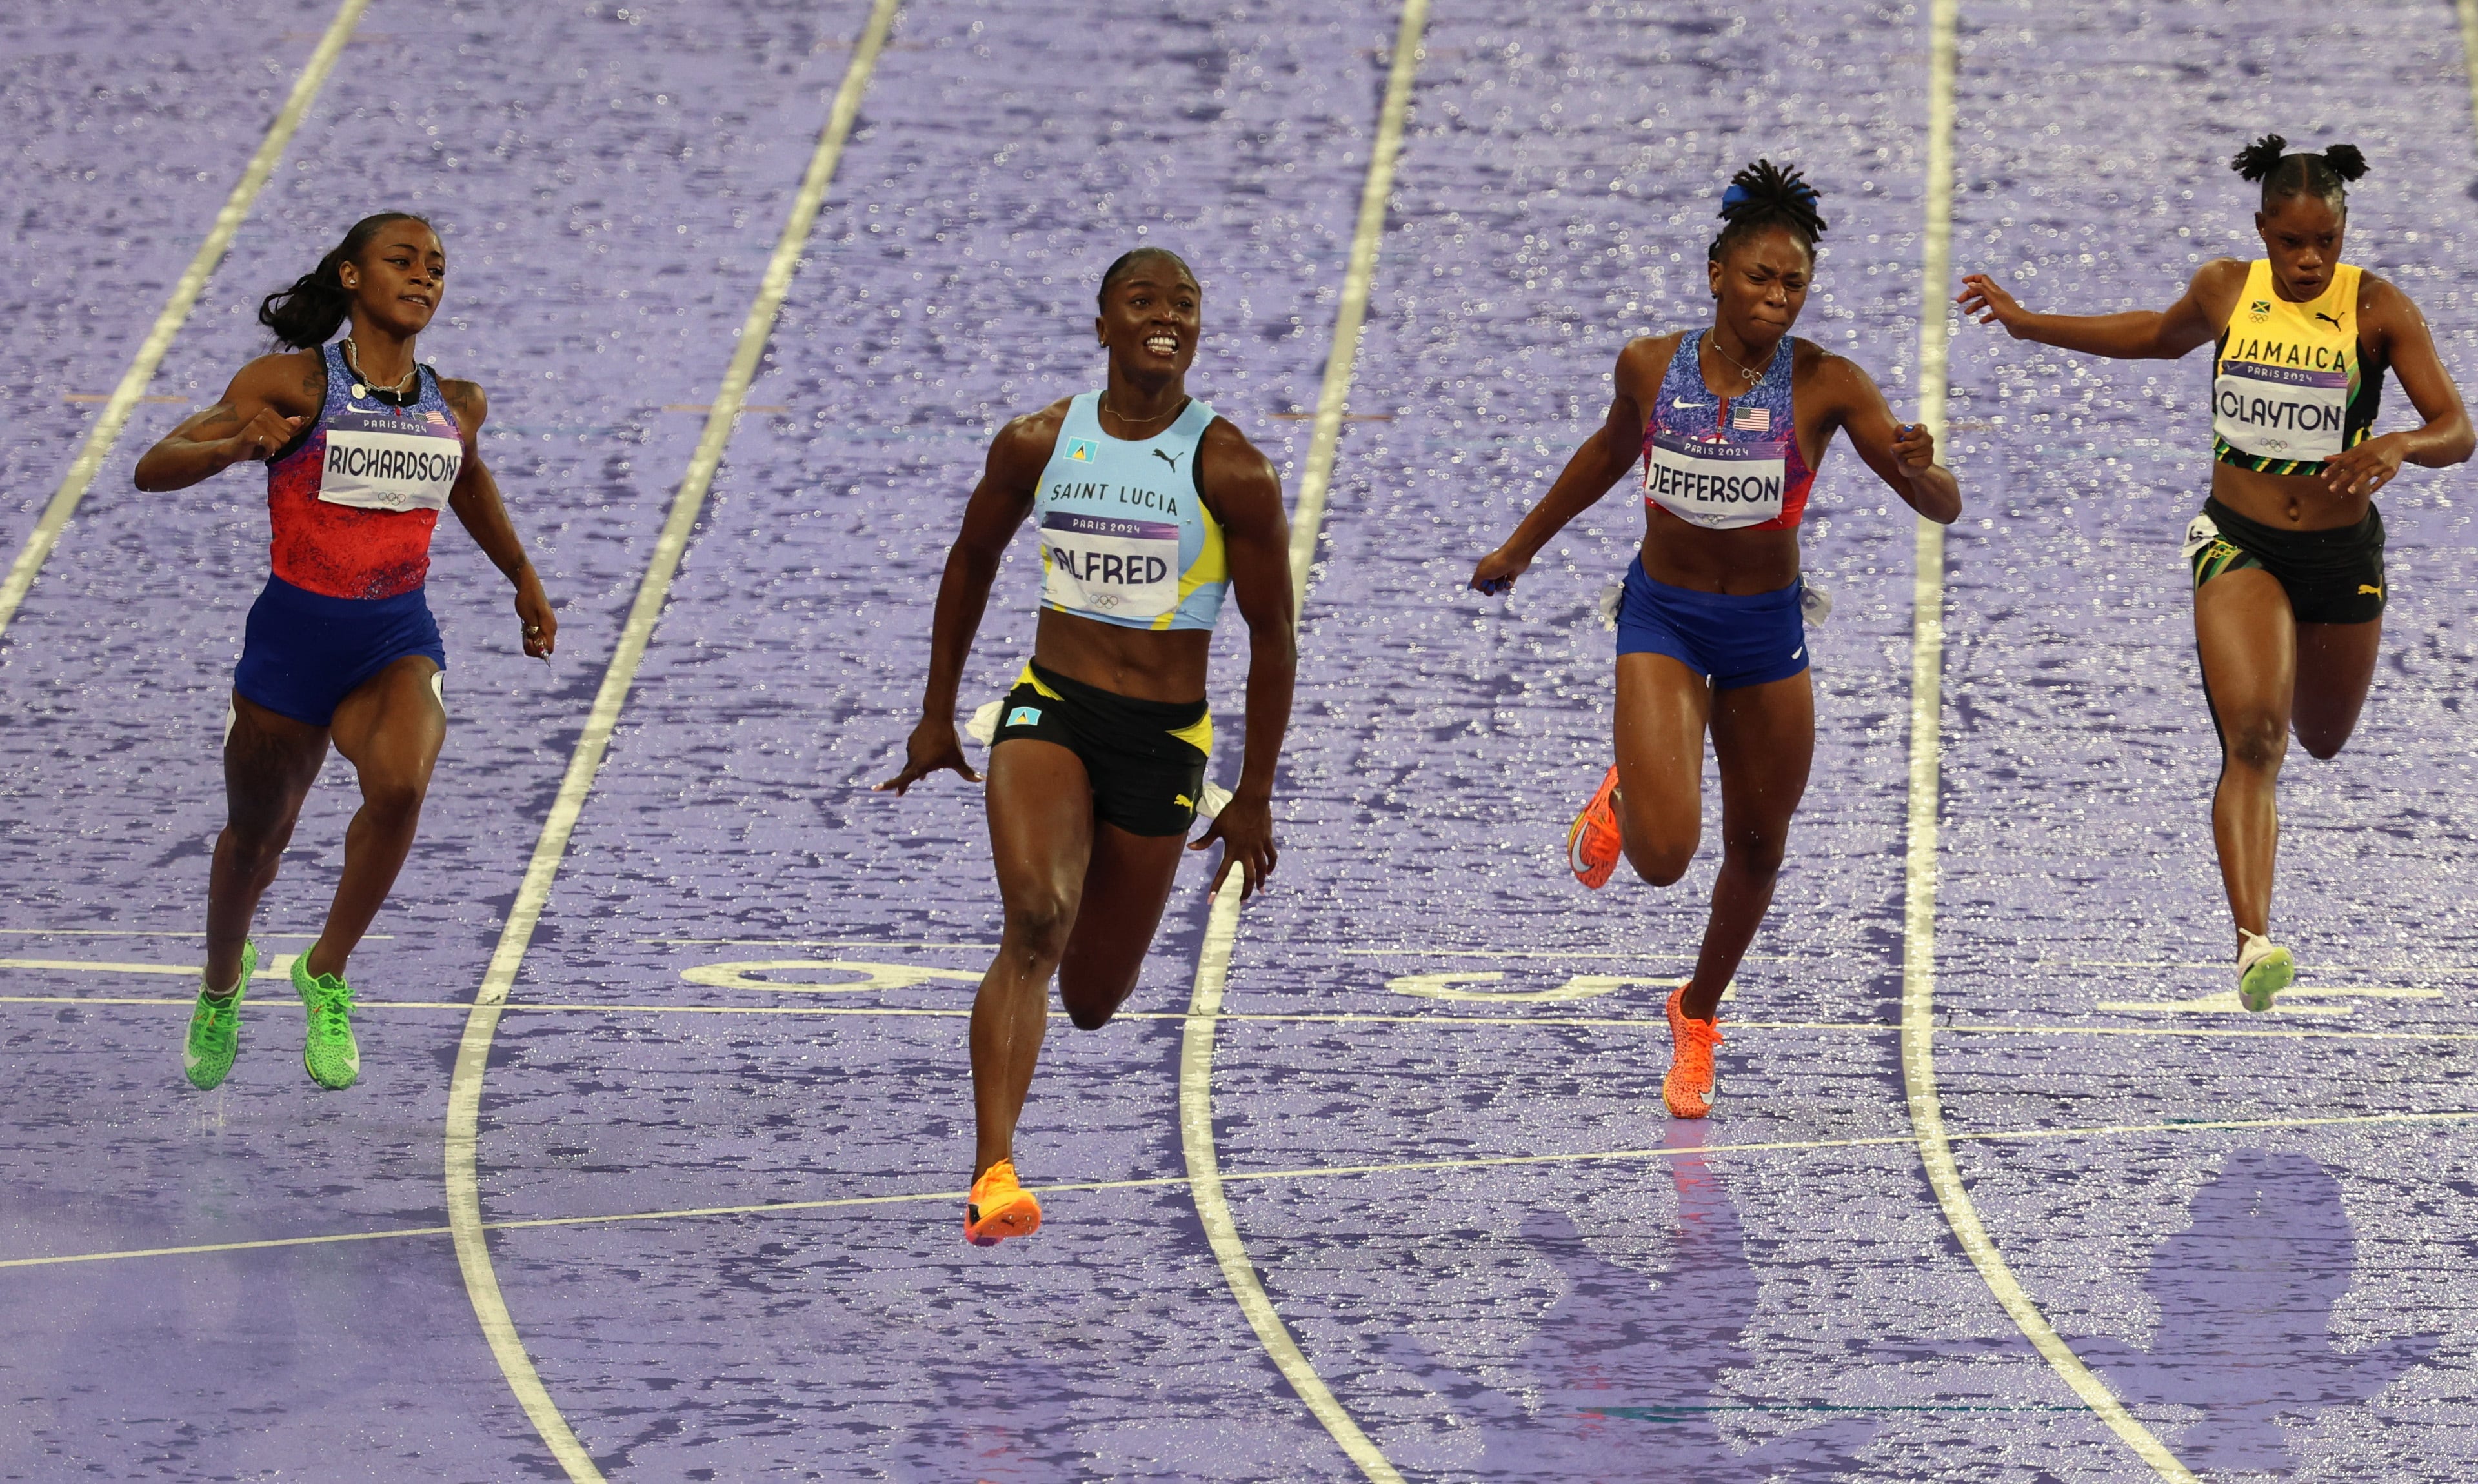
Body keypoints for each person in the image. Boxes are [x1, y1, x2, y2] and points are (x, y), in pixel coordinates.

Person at [1471, 161, 1962, 1118]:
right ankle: (1633, 781)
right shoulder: (1650, 367)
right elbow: (1609, 455)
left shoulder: (1829, 386)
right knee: (1662, 857)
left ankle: (1695, 1016)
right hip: (1664, 619)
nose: (1778, 299)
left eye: (1795, 285)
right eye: (1760, 279)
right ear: (1715, 275)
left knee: (1760, 847)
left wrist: (1926, 471)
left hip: (1766, 634)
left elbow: (1938, 507)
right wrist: (1519, 548)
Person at [1959, 136, 2472, 1010]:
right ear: (2262, 228)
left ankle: (2261, 894)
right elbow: (2156, 338)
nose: (2309, 261)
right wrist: (2029, 322)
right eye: (2292, 243)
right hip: (2240, 543)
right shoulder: (2225, 289)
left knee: (2321, 738)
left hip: (2342, 557)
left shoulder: (2380, 310)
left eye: (2326, 244)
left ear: (2344, 235)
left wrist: (2399, 446)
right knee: (2255, 739)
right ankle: (2253, 941)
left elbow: (2457, 426)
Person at [877, 247, 1294, 1245]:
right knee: (1033, 917)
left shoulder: (1231, 468)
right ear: (1101, 323)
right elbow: (972, 558)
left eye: (1184, 304)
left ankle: (1093, 889)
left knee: (1097, 996)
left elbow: (1273, 637)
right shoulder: (1037, 443)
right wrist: (938, 710)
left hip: (1162, 743)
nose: (1166, 316)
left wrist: (1255, 794)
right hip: (1052, 709)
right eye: (1142, 301)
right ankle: (993, 1173)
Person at [136, 212, 558, 1092]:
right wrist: (236, 447)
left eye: (437, 267)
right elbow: (154, 464)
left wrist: (521, 575)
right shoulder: (290, 383)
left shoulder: (458, 403)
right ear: (352, 277)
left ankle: (325, 971)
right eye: (403, 261)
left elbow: (467, 478)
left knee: (401, 783)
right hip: (290, 646)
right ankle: (222, 984)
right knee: (257, 840)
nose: (425, 277)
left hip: (393, 637)